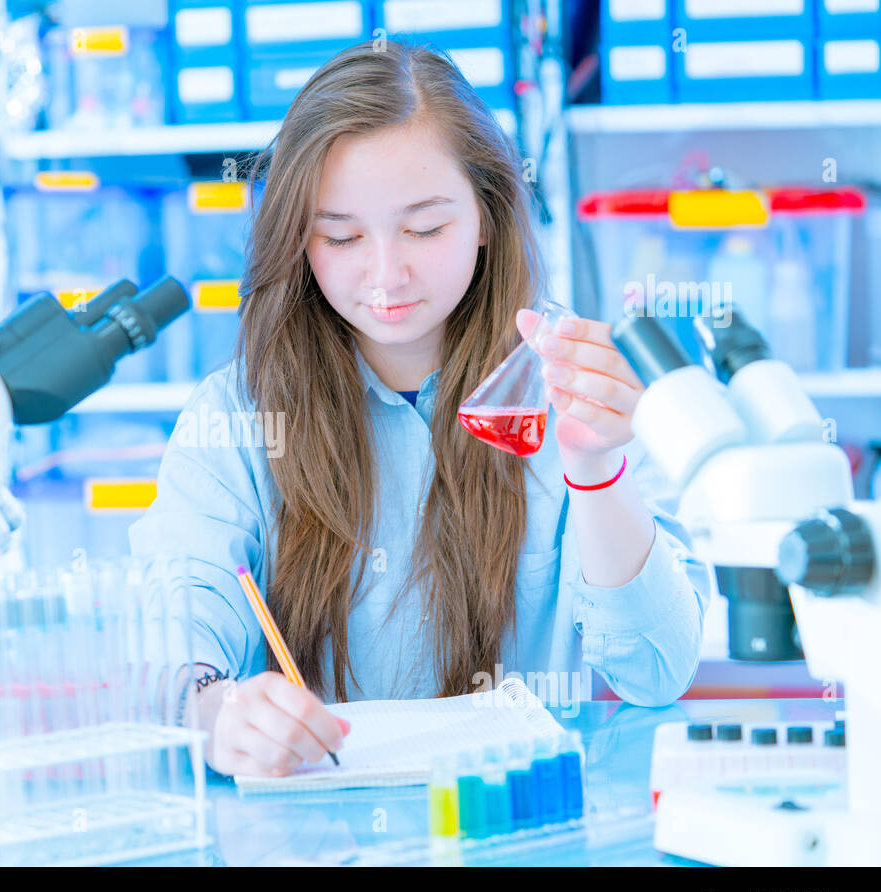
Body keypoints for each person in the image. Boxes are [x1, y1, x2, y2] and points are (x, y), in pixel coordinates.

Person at [130, 42, 709, 778]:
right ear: (298, 240)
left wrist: (596, 465)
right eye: (339, 235)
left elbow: (658, 671)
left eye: (425, 228)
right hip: (318, 840)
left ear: (488, 217)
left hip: (519, 831)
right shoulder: (239, 416)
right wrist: (215, 711)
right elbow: (171, 631)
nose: (385, 273)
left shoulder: (573, 385)